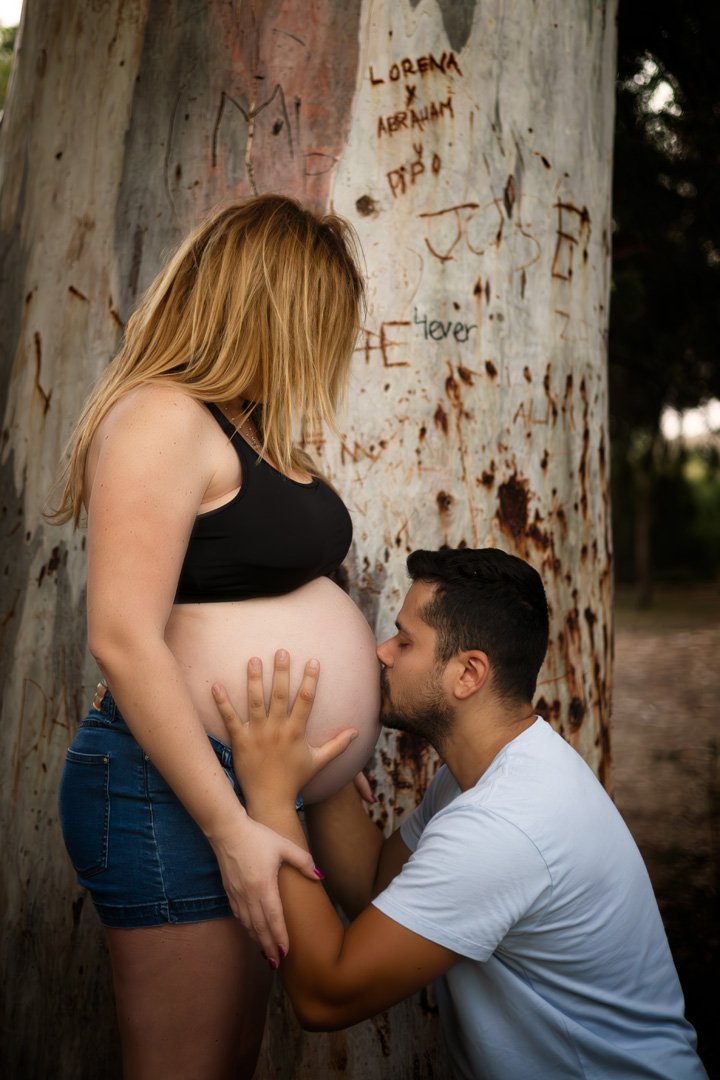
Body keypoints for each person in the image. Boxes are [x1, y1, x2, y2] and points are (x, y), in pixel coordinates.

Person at [55, 195, 381, 1080]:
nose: (324, 349)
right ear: (268, 305)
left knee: (232, 1060)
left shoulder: (249, 425)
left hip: (250, 791)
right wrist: (230, 825)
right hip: (176, 794)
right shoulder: (162, 417)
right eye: (318, 322)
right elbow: (122, 638)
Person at [213, 547, 708, 1080]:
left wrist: (270, 799)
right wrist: (321, 767)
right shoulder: (488, 775)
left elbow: (325, 998)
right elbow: (377, 891)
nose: (382, 652)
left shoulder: (504, 823)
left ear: (468, 673)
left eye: (405, 641)